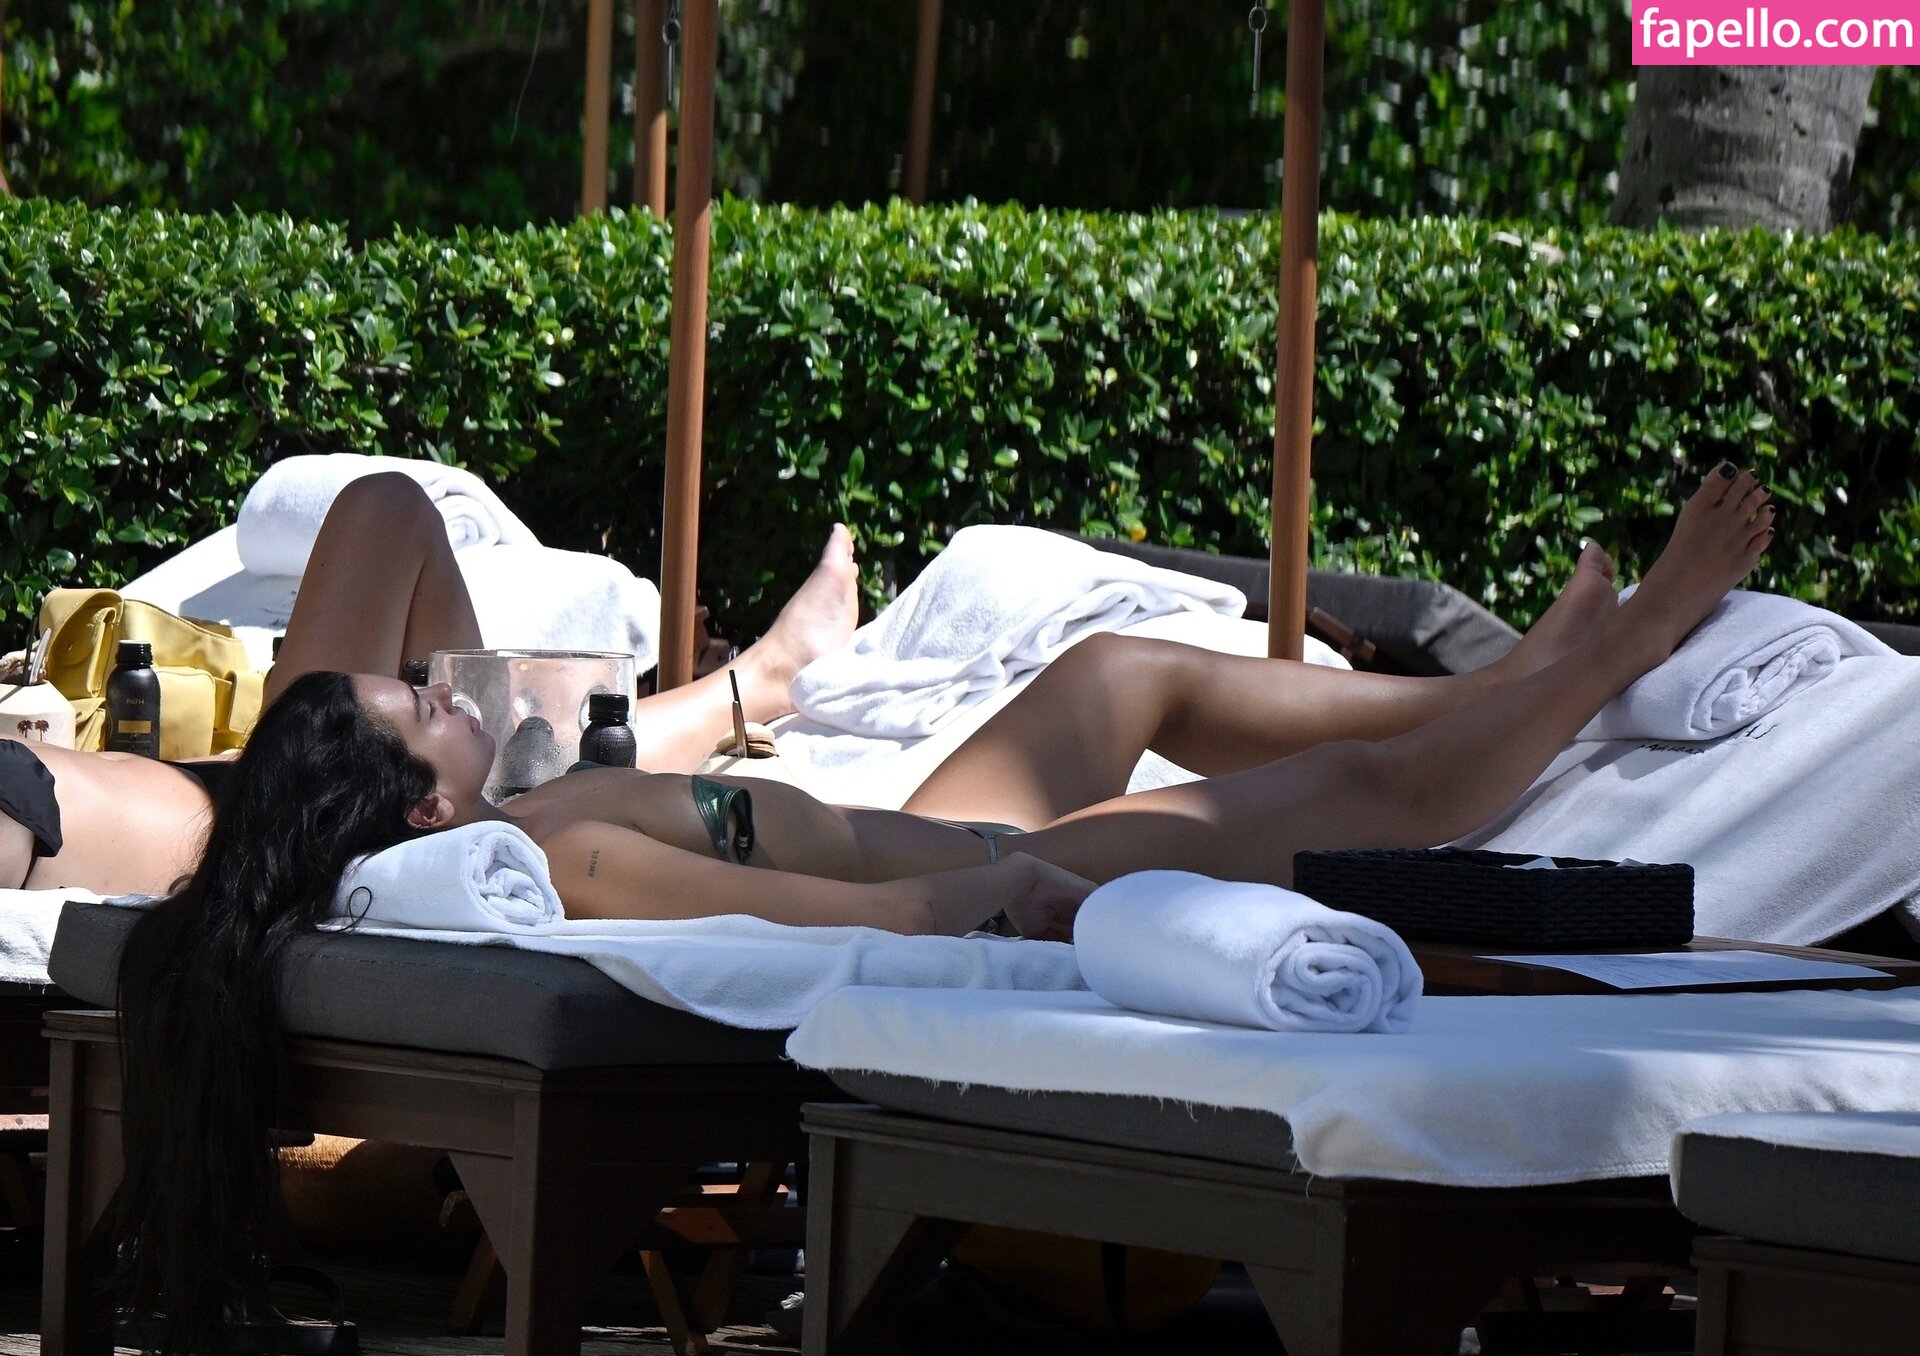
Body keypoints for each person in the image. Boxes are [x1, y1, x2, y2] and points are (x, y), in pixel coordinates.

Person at [111, 465, 1772, 1348]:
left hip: (910, 813)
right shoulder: (568, 857)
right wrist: (1012, 886)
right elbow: (841, 924)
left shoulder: (508, 813)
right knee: (1357, 800)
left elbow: (405, 575)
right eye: (424, 704)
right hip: (961, 858)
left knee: (1113, 671)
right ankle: (1622, 652)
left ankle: (1516, 678)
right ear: (425, 801)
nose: (442, 684)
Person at [0, 473, 862, 895]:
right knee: (530, 787)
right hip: (278, 821)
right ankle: (762, 676)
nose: (441, 698)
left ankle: (761, 676)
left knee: (388, 510)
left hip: (250, 785)